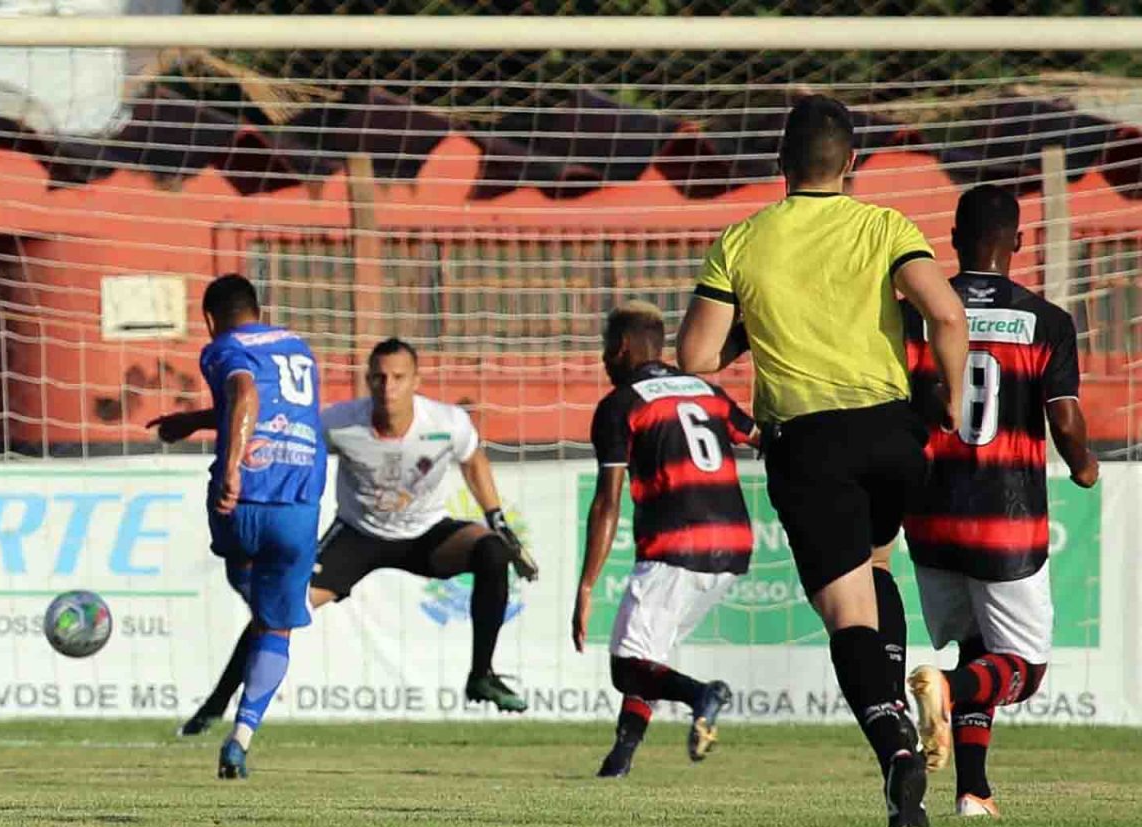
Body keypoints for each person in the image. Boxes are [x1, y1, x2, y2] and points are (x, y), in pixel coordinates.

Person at [676, 95, 969, 827]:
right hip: (894, 435)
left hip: (811, 442)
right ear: (852, 166)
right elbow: (946, 313)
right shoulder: (885, 224)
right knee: (875, 571)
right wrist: (957, 396)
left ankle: (894, 746)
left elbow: (697, 357)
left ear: (780, 163)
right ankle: (903, 710)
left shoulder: (743, 241)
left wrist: (752, 334)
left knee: (846, 618)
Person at [157, 338, 539, 734]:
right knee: (276, 610)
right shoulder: (340, 422)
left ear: (416, 381)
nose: (386, 387)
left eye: (397, 377)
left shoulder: (448, 423)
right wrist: (195, 421)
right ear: (367, 380)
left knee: (492, 553)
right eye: (377, 377)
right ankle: (216, 705)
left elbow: (473, 460)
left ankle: (482, 675)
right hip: (359, 535)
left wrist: (497, 519)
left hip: (427, 534)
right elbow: (273, 417)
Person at [901, 184, 1099, 818]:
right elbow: (1064, 422)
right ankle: (949, 691)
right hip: (1005, 524)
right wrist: (1085, 465)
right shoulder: (1047, 321)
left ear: (953, 241)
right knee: (1023, 668)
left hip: (930, 516)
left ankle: (973, 791)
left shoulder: (921, 313)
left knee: (976, 648)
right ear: (1019, 242)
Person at [573, 302, 752, 777]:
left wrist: (587, 586)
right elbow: (758, 436)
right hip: (734, 547)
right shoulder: (707, 391)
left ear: (624, 347)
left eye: (607, 348)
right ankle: (619, 761)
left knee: (627, 665)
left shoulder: (621, 404)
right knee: (649, 657)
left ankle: (702, 695)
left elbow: (606, 503)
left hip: (677, 547)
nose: (604, 360)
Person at [175, 273, 327, 779]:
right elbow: (274, 407)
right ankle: (241, 737)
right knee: (275, 625)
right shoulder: (299, 348)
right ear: (258, 308)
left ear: (209, 318)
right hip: (298, 503)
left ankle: (256, 593)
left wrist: (235, 465)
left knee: (241, 568)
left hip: (241, 500)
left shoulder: (222, 347)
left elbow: (245, 393)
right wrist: (200, 420)